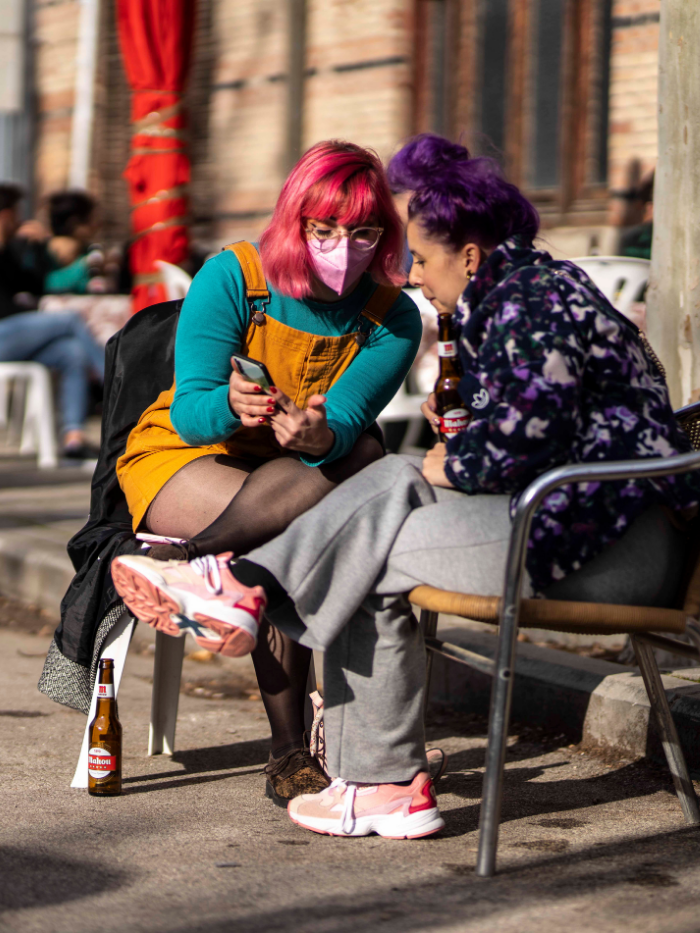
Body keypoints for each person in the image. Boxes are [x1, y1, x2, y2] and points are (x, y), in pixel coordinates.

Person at [113, 154, 699, 838]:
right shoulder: (525, 295)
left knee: (380, 499)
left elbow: (521, 443)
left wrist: (452, 464)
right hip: (575, 524)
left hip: (609, 544)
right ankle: (366, 764)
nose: (412, 273)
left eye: (417, 256)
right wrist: (446, 461)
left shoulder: (531, 302)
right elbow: (539, 430)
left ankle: (251, 602)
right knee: (384, 490)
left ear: (470, 256)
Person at [111, 140, 422, 805]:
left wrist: (318, 431)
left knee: (360, 454)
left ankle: (201, 572)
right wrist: (230, 404)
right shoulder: (235, 277)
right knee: (302, 522)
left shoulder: (391, 315)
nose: (346, 245)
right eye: (326, 229)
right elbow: (191, 410)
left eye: (365, 231)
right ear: (295, 223)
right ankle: (289, 748)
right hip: (188, 457)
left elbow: (347, 420)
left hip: (298, 470)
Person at [0, 183, 105, 459]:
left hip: (13, 333)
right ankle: (116, 383)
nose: (21, 220)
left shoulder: (11, 250)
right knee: (69, 320)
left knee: (72, 351)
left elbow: (37, 285)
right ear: (5, 215)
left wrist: (35, 246)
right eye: (16, 213)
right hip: (3, 334)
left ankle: (73, 438)